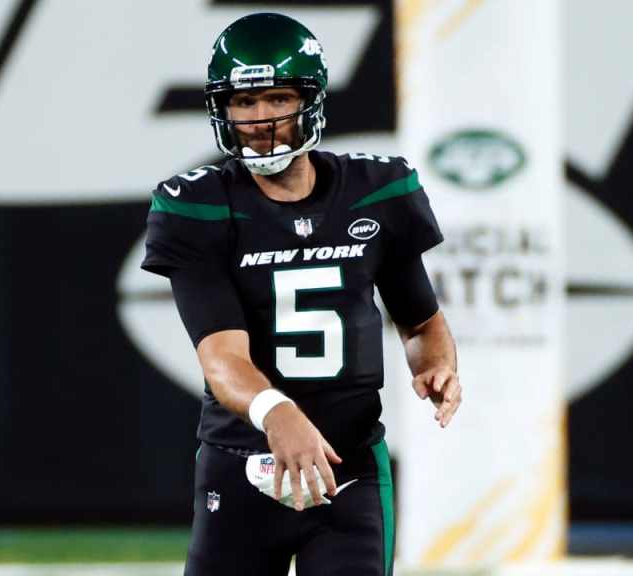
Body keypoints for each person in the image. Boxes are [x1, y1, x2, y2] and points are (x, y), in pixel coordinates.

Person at [141, 12, 460, 576]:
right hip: (242, 465)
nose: (260, 118)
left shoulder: (376, 192)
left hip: (349, 468)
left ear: (310, 101)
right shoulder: (199, 205)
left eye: (277, 98)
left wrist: (435, 364)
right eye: (244, 101)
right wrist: (277, 413)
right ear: (223, 109)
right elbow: (221, 359)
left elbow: (419, 321)